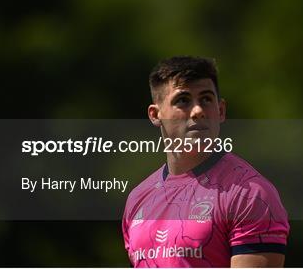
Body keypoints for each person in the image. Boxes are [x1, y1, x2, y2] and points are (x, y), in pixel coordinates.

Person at [122, 56, 289, 267]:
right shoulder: (138, 199)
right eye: (183, 100)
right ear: (155, 115)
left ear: (220, 111)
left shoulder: (251, 194)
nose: (198, 110)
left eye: (206, 99)